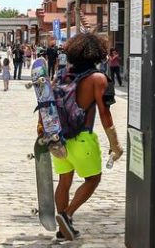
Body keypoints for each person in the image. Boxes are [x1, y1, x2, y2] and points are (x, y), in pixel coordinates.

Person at [51, 33, 123, 241]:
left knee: (64, 181)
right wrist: (115, 144)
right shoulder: (98, 79)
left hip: (59, 139)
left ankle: (63, 229)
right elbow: (104, 113)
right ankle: (67, 214)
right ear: (98, 53)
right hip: (82, 138)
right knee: (93, 179)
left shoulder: (61, 75)